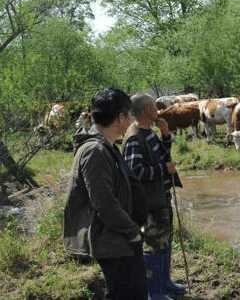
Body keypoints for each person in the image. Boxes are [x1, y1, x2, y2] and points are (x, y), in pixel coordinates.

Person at [64, 88, 147, 300]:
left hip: (118, 237)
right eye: (129, 114)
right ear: (120, 117)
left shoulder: (106, 146)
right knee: (126, 294)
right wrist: (132, 232)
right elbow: (104, 203)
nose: (131, 120)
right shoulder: (95, 151)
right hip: (112, 240)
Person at [124, 93, 185, 299]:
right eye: (152, 105)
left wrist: (166, 134)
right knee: (153, 247)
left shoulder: (149, 132)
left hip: (161, 197)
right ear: (144, 110)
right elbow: (136, 172)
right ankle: (154, 292)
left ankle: (165, 283)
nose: (157, 108)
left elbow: (162, 155)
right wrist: (162, 169)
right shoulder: (134, 137)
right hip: (149, 202)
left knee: (165, 242)